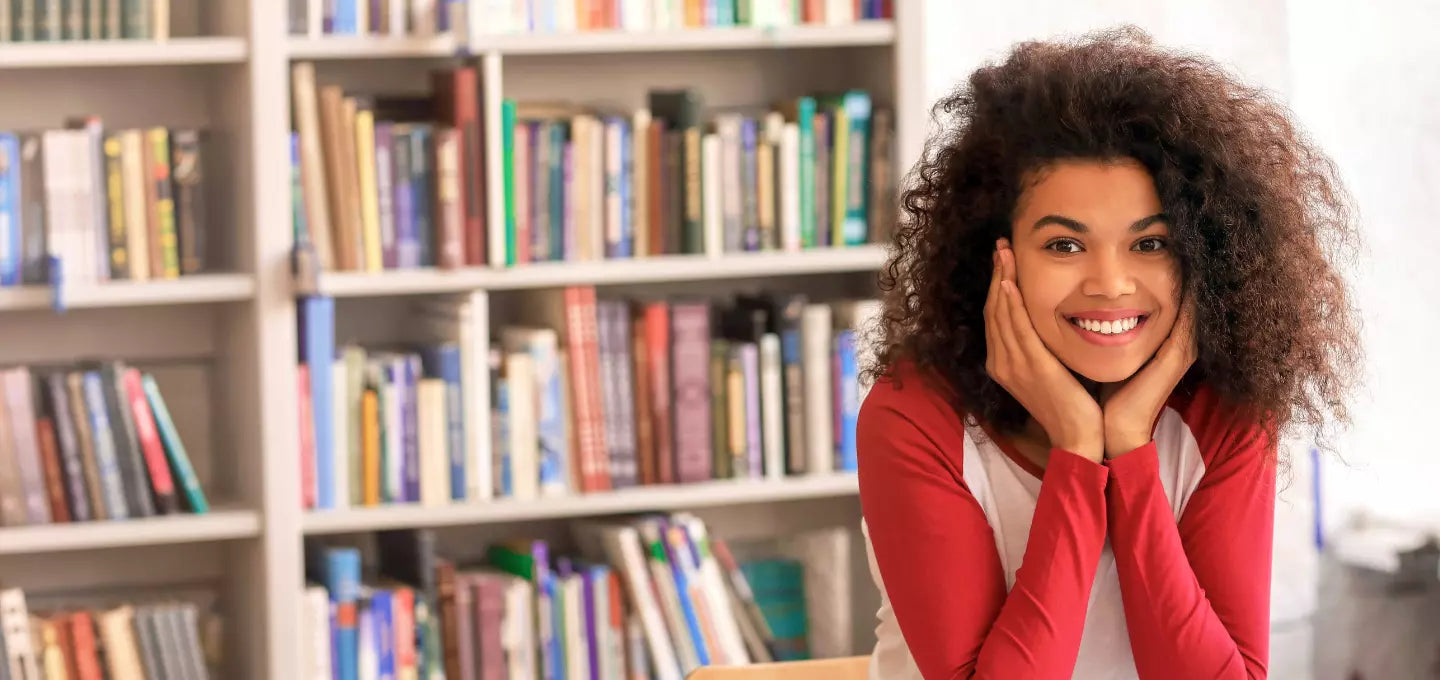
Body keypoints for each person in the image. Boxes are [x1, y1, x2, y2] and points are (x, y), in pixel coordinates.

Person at [856, 26, 1361, 680]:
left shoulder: (1226, 411)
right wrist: (1076, 448)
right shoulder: (916, 417)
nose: (1110, 284)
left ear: (1200, 257)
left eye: (1150, 244)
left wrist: (1128, 448)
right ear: (997, 258)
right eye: (1064, 246)